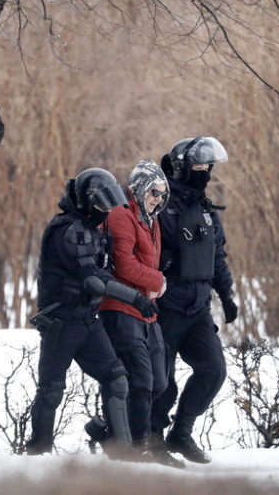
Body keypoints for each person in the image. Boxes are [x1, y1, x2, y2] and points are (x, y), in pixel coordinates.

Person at [26, 168, 158, 459]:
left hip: (87, 319)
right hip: (61, 323)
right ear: (86, 202)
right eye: (100, 205)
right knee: (51, 390)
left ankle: (124, 454)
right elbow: (94, 280)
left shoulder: (90, 227)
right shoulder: (68, 229)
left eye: (108, 205)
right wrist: (135, 298)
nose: (104, 212)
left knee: (117, 378)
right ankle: (38, 457)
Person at [90, 159, 184, 467]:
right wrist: (159, 280)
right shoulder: (121, 215)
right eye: (155, 192)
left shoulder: (150, 217)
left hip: (146, 309)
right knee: (140, 380)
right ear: (141, 186)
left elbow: (149, 261)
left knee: (158, 381)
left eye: (162, 194)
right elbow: (124, 265)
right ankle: (134, 446)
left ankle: (107, 430)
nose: (159, 199)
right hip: (120, 307)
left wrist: (156, 280)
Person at [149, 136, 237, 464]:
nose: (205, 172)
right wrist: (162, 262)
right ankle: (152, 437)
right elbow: (141, 248)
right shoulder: (160, 205)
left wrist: (226, 295)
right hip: (166, 306)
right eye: (199, 166)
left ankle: (181, 431)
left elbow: (217, 257)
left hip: (199, 307)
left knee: (213, 371)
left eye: (208, 167)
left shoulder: (205, 208)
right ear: (182, 167)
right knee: (162, 380)